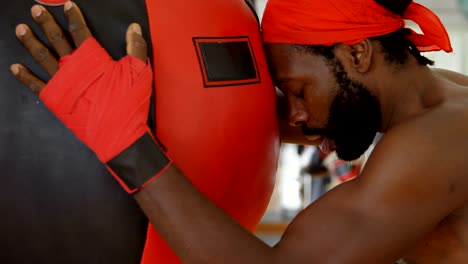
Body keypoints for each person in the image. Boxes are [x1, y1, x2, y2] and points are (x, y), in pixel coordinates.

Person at [12, 0, 468, 263]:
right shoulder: (444, 99)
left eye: (297, 90)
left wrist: (126, 142)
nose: (295, 116)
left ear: (357, 54)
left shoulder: (438, 140)